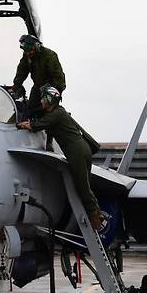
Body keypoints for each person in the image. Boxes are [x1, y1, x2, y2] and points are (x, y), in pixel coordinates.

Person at [16, 85, 105, 231]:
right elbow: (49, 128)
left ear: (49, 100)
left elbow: (39, 125)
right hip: (82, 149)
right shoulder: (58, 112)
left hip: (76, 151)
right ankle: (96, 211)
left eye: (43, 98)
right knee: (85, 185)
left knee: (82, 186)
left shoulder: (56, 114)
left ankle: (94, 216)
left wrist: (24, 125)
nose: (41, 101)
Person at [12, 34, 66, 151]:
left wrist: (55, 95)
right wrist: (16, 86)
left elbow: (59, 78)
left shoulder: (49, 56)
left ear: (36, 47)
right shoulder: (27, 56)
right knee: (30, 109)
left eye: (30, 50)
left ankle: (49, 141)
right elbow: (22, 71)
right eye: (26, 51)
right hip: (38, 86)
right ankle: (29, 134)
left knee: (49, 113)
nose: (28, 53)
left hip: (51, 87)